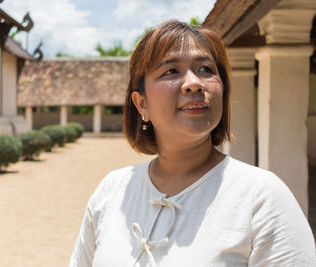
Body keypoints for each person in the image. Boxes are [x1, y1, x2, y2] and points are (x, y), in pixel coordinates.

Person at [69, 20, 316, 267]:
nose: (194, 82)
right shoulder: (111, 192)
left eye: (206, 69)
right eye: (171, 71)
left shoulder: (261, 198)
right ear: (142, 104)